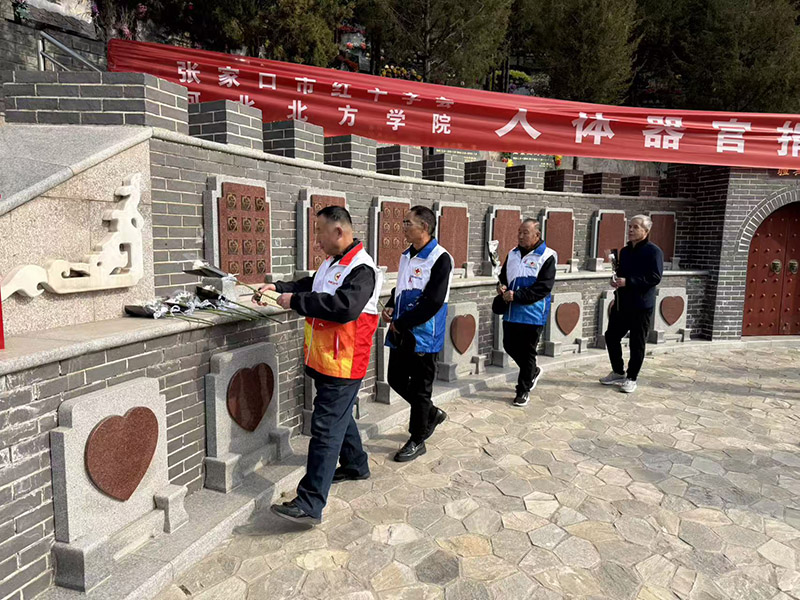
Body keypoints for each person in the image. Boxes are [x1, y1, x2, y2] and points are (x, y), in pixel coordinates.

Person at [255, 206, 383, 525]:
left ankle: (310, 502)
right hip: (326, 360)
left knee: (325, 428)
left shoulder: (362, 269)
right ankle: (355, 465)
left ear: (338, 231)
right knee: (339, 417)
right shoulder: (332, 263)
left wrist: (296, 302)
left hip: (345, 364)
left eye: (320, 232)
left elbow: (344, 307)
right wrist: (280, 288)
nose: (317, 240)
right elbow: (311, 284)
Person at [382, 206, 454, 462]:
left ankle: (417, 438)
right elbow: (402, 288)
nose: (403, 227)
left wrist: (402, 323)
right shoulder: (406, 256)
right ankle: (431, 413)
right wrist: (391, 305)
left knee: (421, 389)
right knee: (396, 378)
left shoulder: (440, 258)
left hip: (424, 333)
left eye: (408, 223)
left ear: (424, 227)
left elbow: (433, 301)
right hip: (402, 329)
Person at [492, 219, 557, 407]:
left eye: (525, 233)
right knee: (509, 345)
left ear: (537, 235)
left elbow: (543, 288)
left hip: (533, 314)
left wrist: (517, 295)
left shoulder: (547, 256)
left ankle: (523, 390)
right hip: (511, 312)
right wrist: (502, 287)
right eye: (519, 232)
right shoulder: (512, 253)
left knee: (528, 352)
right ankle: (532, 371)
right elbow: (504, 277)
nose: (520, 236)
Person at [599, 214, 664, 394]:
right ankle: (618, 372)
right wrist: (615, 281)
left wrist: (629, 282)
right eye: (630, 226)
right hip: (622, 303)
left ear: (646, 230)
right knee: (611, 336)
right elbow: (620, 272)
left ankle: (632, 377)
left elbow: (655, 277)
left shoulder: (654, 251)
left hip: (641, 305)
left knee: (637, 343)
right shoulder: (625, 251)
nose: (631, 230)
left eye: (636, 227)